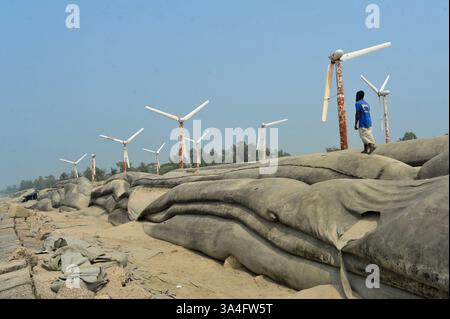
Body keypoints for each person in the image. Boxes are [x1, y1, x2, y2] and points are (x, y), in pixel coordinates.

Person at [354, 90, 376, 154]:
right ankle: (366, 149)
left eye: (356, 96)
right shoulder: (367, 104)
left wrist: (355, 124)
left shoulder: (358, 103)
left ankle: (371, 145)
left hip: (363, 122)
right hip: (369, 121)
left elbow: (357, 114)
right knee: (367, 134)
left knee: (363, 135)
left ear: (358, 96)